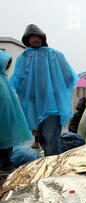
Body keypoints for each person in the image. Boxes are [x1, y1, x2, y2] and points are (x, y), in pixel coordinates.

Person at [10, 24, 78, 156]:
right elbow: (18, 81)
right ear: (27, 39)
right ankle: (49, 166)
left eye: (38, 36)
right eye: (32, 37)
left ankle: (54, 169)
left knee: (51, 138)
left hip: (51, 106)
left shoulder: (54, 55)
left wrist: (55, 92)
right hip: (33, 106)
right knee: (42, 138)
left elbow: (68, 76)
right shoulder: (23, 58)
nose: (35, 39)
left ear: (43, 38)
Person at [0, 50, 33, 183]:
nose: (6, 67)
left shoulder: (4, 80)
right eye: (5, 63)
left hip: (7, 131)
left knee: (6, 156)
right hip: (3, 129)